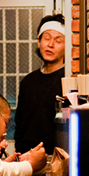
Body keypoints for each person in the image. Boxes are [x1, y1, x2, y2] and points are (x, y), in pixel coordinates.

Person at [15, 14, 66, 154]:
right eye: (47, 38)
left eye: (58, 40)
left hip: (57, 157)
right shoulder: (28, 82)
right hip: (27, 155)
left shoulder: (68, 80)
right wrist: (19, 151)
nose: (51, 45)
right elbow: (19, 123)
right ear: (39, 41)